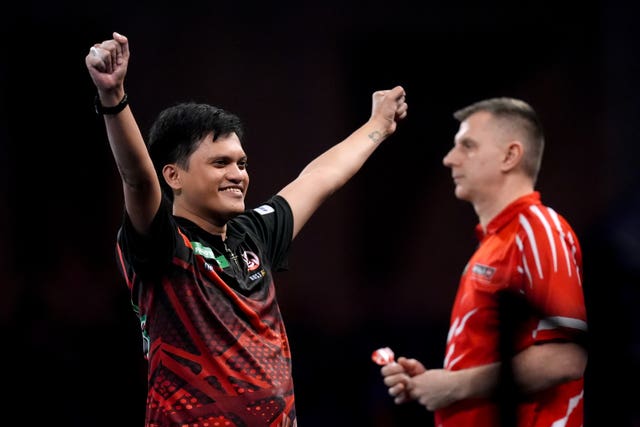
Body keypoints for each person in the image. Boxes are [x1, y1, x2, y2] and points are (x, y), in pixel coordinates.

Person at [85, 31, 407, 427]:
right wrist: (113, 97)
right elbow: (137, 179)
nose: (238, 174)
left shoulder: (253, 233)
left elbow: (321, 176)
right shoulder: (163, 244)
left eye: (241, 163)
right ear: (173, 175)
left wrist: (378, 124)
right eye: (220, 163)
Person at [379, 97, 588, 427]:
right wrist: (433, 382)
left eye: (467, 146)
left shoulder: (538, 231)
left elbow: (565, 358)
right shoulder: (494, 242)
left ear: (510, 156)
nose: (449, 159)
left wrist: (453, 385)